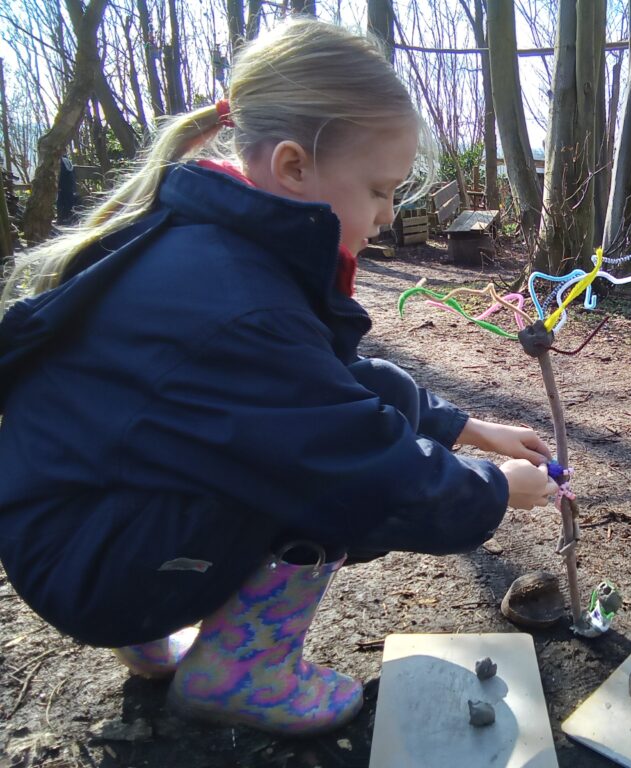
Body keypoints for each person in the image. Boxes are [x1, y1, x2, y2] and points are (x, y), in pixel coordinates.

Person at [0, 19, 558, 736]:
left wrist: (468, 426)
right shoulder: (239, 303)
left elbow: (335, 381)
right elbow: (356, 463)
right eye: (380, 190)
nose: (388, 216)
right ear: (294, 166)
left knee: (295, 434)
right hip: (92, 565)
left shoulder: (213, 251)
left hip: (76, 525)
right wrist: (494, 490)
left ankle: (147, 641)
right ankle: (240, 675)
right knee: (315, 486)